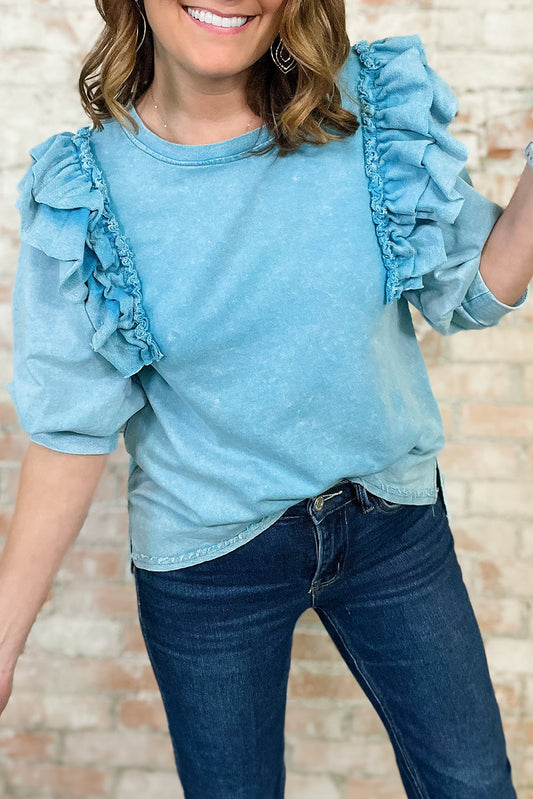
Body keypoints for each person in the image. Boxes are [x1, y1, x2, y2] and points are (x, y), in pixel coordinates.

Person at [0, 0, 532, 796]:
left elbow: (469, 294)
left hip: (392, 525)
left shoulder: (370, 112)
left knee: (473, 784)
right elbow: (70, 434)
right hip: (209, 568)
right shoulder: (88, 191)